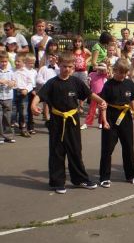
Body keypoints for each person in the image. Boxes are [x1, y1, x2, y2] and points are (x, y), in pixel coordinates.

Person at [31, 52, 106, 194]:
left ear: (74, 67)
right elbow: (39, 96)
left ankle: (80, 179)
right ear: (59, 65)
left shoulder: (76, 82)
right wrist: (33, 105)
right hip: (56, 120)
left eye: (70, 67)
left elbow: (89, 94)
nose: (67, 69)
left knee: (75, 150)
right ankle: (57, 182)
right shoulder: (52, 83)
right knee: (57, 151)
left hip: (72, 120)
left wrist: (102, 101)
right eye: (64, 66)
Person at [98, 58, 134, 188]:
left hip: (126, 118)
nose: (123, 75)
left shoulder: (129, 83)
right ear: (114, 70)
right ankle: (104, 177)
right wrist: (104, 120)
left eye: (125, 72)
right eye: (120, 72)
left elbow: (133, 99)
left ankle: (131, 175)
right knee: (107, 148)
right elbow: (103, 104)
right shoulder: (108, 85)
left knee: (128, 147)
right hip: (111, 118)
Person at [81, 62, 109, 130]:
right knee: (91, 109)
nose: (100, 71)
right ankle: (86, 123)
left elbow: (106, 71)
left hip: (101, 94)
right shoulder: (92, 74)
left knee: (102, 109)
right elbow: (89, 81)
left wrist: (101, 68)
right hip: (93, 94)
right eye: (99, 69)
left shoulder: (104, 75)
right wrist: (89, 80)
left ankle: (101, 123)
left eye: (102, 69)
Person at [0, 50, 16, 144]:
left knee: (7, 117)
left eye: (5, 61)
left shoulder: (11, 71)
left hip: (8, 97)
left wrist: (12, 83)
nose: (4, 63)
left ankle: (8, 136)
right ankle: (0, 136)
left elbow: (14, 82)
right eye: (2, 61)